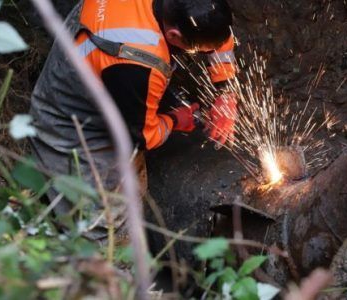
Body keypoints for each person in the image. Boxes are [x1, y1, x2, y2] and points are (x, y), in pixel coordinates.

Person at [29, 0, 238, 241]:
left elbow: (218, 33)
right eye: (198, 50)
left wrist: (226, 91)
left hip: (101, 48)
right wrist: (175, 120)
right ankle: (104, 267)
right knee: (105, 224)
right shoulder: (137, 66)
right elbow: (143, 136)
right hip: (69, 121)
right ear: (173, 34)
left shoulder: (188, 7)